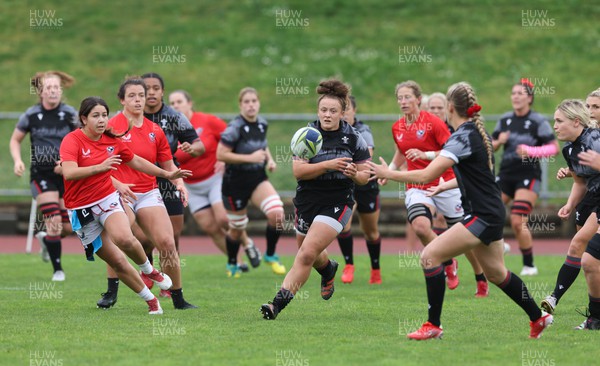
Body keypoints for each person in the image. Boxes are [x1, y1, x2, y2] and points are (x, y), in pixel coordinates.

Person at [369, 81, 553, 339]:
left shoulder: (463, 136)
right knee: (497, 273)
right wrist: (444, 189)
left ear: (450, 108)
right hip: (488, 212)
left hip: (482, 215)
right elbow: (476, 177)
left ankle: (433, 325)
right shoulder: (476, 133)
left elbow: (425, 176)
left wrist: (387, 172)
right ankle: (539, 317)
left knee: (430, 256)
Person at [60, 96, 190, 314]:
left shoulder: (112, 140)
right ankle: (151, 301)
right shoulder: (72, 140)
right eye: (95, 116)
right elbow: (69, 172)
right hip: (81, 209)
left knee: (123, 237)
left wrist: (167, 174)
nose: (102, 120)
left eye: (104, 115)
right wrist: (100, 167)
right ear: (84, 119)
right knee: (118, 262)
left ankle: (151, 272)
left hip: (106, 198)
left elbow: (137, 161)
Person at [260, 79, 371, 320]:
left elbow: (365, 176)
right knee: (309, 251)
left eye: (333, 111)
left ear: (343, 113)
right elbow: (299, 171)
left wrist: (356, 175)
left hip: (338, 202)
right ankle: (328, 268)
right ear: (317, 111)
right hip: (308, 201)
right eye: (323, 110)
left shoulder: (353, 138)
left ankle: (276, 305)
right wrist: (329, 164)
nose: (327, 115)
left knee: (306, 253)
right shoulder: (307, 134)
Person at [96, 78, 197, 310]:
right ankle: (111, 291)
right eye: (132, 95)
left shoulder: (155, 130)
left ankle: (178, 298)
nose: (138, 99)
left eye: (141, 95)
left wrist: (179, 182)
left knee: (167, 242)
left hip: (148, 191)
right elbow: (98, 163)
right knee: (119, 238)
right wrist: (117, 185)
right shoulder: (111, 127)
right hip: (119, 192)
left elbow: (168, 163)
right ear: (122, 99)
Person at [383, 80, 488, 297]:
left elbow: (452, 151)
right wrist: (390, 170)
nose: (403, 101)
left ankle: (480, 276)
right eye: (399, 98)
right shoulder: (397, 127)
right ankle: (448, 262)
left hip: (445, 183)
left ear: (419, 100)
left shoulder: (434, 123)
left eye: (407, 97)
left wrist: (426, 155)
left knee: (465, 239)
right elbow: (401, 152)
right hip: (417, 185)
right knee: (420, 227)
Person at [169, 90, 254, 271]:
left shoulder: (207, 121)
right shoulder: (170, 130)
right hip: (192, 186)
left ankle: (247, 243)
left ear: (190, 103)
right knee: (209, 227)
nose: (176, 106)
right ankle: (236, 262)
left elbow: (232, 137)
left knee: (223, 219)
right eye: (172, 103)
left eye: (179, 101)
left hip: (215, 179)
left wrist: (224, 159)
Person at [10, 71, 78, 281]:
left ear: (61, 90)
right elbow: (15, 140)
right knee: (54, 221)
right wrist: (18, 160)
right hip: (41, 175)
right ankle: (58, 270)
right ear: (40, 91)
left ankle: (47, 240)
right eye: (48, 88)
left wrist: (67, 162)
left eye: (56, 87)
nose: (53, 91)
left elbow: (81, 139)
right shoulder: (31, 115)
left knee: (66, 228)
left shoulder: (69, 114)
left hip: (65, 175)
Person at [541, 98, 600, 329]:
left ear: (576, 122)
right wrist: (570, 203)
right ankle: (595, 319)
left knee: (585, 254)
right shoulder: (570, 149)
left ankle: (557, 297)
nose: (554, 126)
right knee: (588, 259)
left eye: (559, 121)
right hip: (593, 202)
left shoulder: (595, 140)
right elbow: (580, 182)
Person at [492, 79, 559, 276]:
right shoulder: (505, 120)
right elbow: (491, 146)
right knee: (488, 211)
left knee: (517, 219)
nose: (515, 97)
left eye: (520, 93)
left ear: (529, 98)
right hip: (505, 174)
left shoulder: (538, 121)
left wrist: (531, 151)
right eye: (513, 93)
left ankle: (529, 265)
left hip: (528, 175)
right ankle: (500, 245)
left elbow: (554, 148)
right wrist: (498, 141)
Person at [216, 87, 286, 277]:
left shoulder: (262, 123)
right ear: (240, 105)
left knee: (277, 214)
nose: (251, 105)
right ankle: (232, 263)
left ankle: (270, 255)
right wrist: (251, 158)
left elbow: (262, 144)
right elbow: (221, 154)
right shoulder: (234, 128)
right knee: (237, 229)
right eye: (246, 102)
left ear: (259, 103)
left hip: (257, 179)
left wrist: (269, 159)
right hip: (234, 184)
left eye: (254, 101)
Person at [141, 73, 204, 259]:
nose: (151, 92)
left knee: (172, 236)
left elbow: (199, 146)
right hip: (141, 180)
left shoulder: (175, 117)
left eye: (156, 88)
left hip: (169, 180)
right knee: (145, 238)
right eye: (146, 89)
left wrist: (191, 148)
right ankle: (149, 271)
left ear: (162, 92)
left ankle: (171, 285)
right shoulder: (130, 117)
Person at [336, 96, 382, 285]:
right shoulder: (334, 132)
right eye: (342, 110)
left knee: (370, 232)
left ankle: (375, 270)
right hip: (347, 184)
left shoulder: (363, 130)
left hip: (367, 184)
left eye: (348, 110)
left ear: (354, 111)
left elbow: (367, 156)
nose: (344, 113)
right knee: (343, 225)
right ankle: (349, 265)